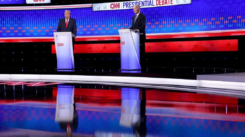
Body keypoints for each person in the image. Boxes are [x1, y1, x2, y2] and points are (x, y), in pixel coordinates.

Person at [129, 5, 146, 72]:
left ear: (138, 9)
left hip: (140, 37)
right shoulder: (133, 17)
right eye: (133, 9)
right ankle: (136, 65)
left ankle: (143, 67)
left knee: (142, 52)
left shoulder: (142, 16)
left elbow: (143, 26)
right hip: (134, 38)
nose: (134, 10)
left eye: (135, 9)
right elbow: (133, 27)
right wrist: (130, 29)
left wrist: (137, 30)